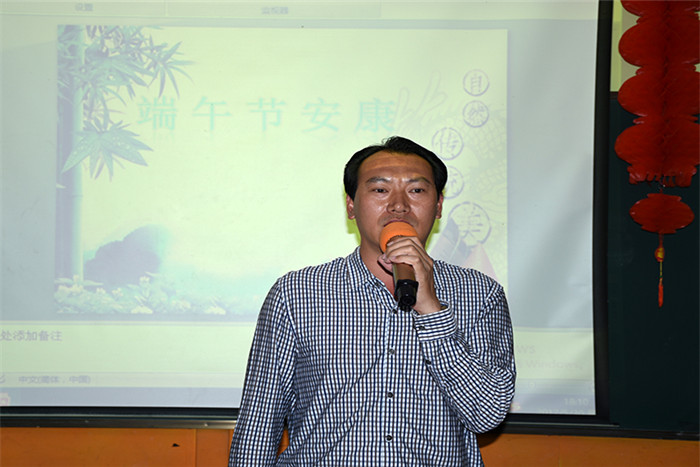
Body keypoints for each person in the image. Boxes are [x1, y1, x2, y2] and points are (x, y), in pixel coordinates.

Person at [229, 136, 515, 466]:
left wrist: (431, 310)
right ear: (351, 205)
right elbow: (258, 425)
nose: (398, 205)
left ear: (438, 206)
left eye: (416, 190)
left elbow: (486, 415)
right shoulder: (297, 293)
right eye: (380, 189)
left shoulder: (480, 294)